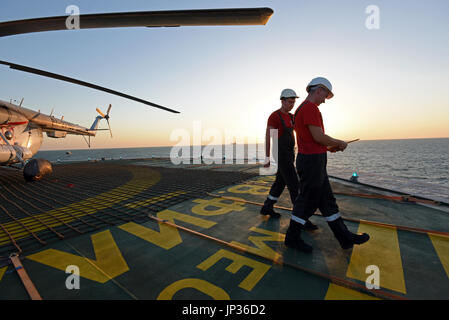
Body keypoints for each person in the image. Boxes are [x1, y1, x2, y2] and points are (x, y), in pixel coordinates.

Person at [284, 77, 370, 252]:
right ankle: (292, 238)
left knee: (327, 202)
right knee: (306, 202)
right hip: (312, 162)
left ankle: (345, 238)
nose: (324, 100)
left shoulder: (301, 109)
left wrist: (330, 148)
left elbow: (311, 139)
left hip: (312, 159)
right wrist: (340, 142)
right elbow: (318, 137)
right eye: (325, 95)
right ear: (318, 90)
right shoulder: (310, 108)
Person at [260, 89, 317, 231]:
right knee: (294, 186)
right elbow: (269, 137)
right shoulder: (274, 117)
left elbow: (304, 133)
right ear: (283, 101)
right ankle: (301, 219)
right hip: (280, 154)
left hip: (290, 153)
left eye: (293, 102)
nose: (292, 105)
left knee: (280, 182)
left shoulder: (292, 117)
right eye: (290, 102)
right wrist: (267, 157)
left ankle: (267, 207)